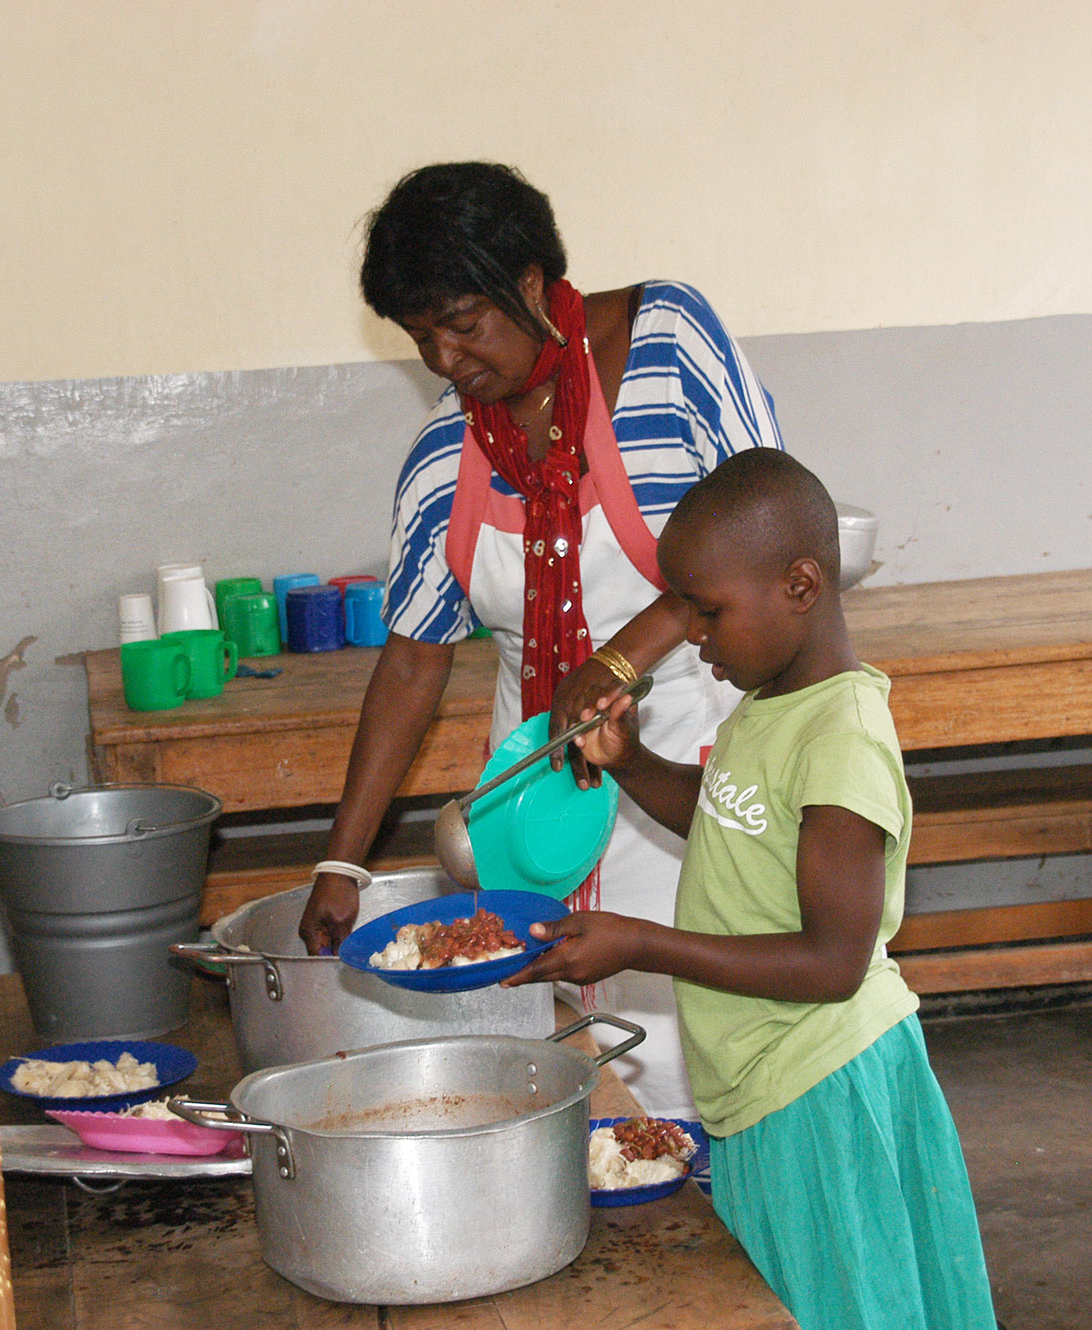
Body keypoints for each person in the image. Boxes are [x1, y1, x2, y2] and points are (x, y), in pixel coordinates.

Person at [297, 162, 784, 1119]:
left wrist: (621, 655)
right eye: (420, 336)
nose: (443, 359)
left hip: (695, 767)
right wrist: (341, 862)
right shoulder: (444, 458)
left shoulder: (669, 344)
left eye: (462, 324)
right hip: (535, 809)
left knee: (714, 1054)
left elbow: (771, 522)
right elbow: (412, 657)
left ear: (530, 286)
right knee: (575, 1075)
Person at [506, 449, 998, 1330]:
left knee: (844, 1307)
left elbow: (832, 961)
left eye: (708, 610)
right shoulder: (773, 700)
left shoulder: (840, 737)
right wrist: (633, 765)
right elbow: (730, 819)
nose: (690, 633)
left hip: (824, 1083)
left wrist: (643, 942)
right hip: (760, 1082)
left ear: (801, 586)